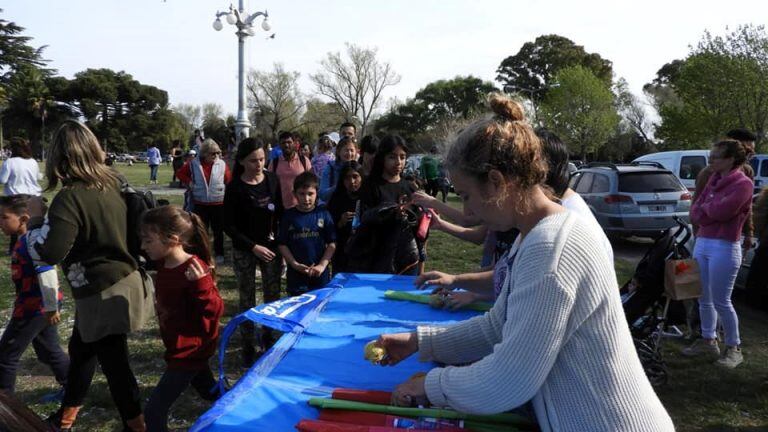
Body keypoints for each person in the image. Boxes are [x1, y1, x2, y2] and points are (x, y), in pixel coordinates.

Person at [375, 94, 674, 431]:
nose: (468, 212)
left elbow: (508, 379)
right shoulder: (532, 234)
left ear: (497, 182)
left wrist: (430, 386)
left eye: (468, 196)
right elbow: (498, 325)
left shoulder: (550, 248)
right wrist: (421, 341)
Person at [27, 120, 153, 431]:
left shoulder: (71, 197)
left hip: (101, 293)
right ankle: (66, 418)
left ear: (59, 156)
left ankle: (137, 426)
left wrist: (34, 222)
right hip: (125, 281)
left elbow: (50, 252)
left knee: (116, 366)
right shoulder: (116, 180)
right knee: (82, 352)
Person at [140, 206, 224, 432]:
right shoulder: (164, 262)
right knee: (211, 392)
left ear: (173, 239)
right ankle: (239, 404)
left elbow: (216, 310)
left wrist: (202, 285)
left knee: (153, 412)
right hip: (179, 347)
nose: (143, 246)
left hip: (188, 352)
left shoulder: (195, 269)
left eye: (148, 241)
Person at [683, 140, 753, 368]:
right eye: (711, 156)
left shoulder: (743, 184)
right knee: (703, 296)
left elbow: (722, 212)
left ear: (731, 159)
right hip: (703, 241)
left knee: (722, 300)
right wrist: (707, 210)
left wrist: (706, 209)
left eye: (716, 157)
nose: (711, 160)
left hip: (724, 245)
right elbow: (696, 211)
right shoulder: (713, 179)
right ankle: (708, 339)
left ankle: (734, 347)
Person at [0, 195, 69, 395]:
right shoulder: (24, 240)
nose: (0, 223)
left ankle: (6, 406)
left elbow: (47, 271)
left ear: (24, 219)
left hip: (35, 308)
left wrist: (50, 307)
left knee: (5, 356)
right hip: (38, 306)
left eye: (4, 217)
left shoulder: (31, 241)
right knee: (49, 350)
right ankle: (72, 388)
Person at [223, 137, 283, 366]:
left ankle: (269, 338)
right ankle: (247, 343)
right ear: (241, 161)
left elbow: (280, 213)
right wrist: (252, 246)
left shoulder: (272, 179)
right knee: (247, 297)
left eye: (262, 159)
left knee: (272, 295)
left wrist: (277, 241)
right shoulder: (235, 187)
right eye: (253, 161)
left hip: (270, 249)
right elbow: (228, 226)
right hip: (245, 249)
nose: (259, 165)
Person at [349, 135, 419, 275]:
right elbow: (364, 219)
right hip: (376, 257)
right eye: (392, 157)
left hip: (405, 258)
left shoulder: (410, 188)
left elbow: (417, 228)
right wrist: (390, 213)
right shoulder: (371, 186)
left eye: (402, 157)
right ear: (382, 158)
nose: (398, 162)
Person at [693, 128, 756, 251]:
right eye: (747, 151)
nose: (749, 155)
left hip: (732, 239)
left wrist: (749, 233)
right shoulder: (709, 173)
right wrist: (698, 236)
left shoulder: (747, 173)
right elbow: (696, 207)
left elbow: (747, 208)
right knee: (696, 270)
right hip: (706, 237)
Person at [277, 172, 336, 296]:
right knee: (297, 310)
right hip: (296, 276)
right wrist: (294, 264)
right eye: (302, 194)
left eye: (310, 194)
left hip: (320, 276)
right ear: (294, 194)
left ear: (317, 193)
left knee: (319, 309)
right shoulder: (289, 216)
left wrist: (322, 265)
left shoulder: (323, 214)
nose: (306, 198)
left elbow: (332, 243)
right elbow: (282, 244)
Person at [176, 139, 232, 265]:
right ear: (205, 153)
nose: (216, 156)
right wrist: (190, 183)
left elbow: (229, 180)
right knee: (202, 231)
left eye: (218, 153)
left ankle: (219, 254)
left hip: (218, 203)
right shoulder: (193, 164)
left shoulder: (222, 164)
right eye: (213, 153)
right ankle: (204, 254)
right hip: (200, 203)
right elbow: (180, 173)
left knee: (218, 231)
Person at [0, 137, 42, 254]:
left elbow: (3, 180)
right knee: (32, 225)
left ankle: (14, 248)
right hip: (33, 197)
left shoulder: (9, 162)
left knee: (16, 225)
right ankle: (33, 247)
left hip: (16, 196)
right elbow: (38, 177)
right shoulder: (33, 161)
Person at [327, 161, 363, 275]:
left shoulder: (369, 196)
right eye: (347, 178)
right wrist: (340, 222)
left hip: (364, 252)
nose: (352, 181)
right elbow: (328, 227)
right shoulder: (336, 198)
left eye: (355, 177)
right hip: (342, 252)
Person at [269, 131, 311, 211]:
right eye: (283, 143)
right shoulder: (274, 163)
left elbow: (311, 183)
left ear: (294, 143)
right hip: (280, 208)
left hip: (301, 206)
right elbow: (269, 184)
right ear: (279, 145)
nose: (286, 145)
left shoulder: (304, 161)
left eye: (289, 142)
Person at [319, 136, 359, 202]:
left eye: (352, 150)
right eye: (346, 150)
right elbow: (322, 194)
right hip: (333, 208)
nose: (349, 154)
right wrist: (338, 186)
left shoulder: (358, 169)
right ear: (338, 151)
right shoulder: (330, 168)